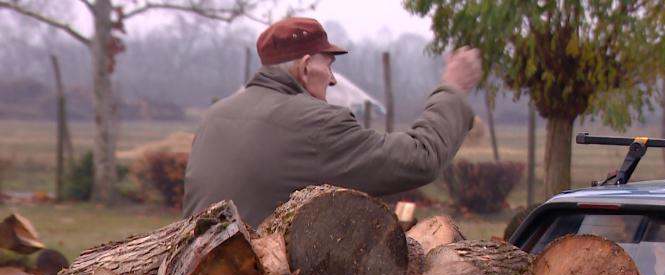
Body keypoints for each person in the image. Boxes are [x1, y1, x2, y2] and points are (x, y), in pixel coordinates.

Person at [183, 17, 482, 227]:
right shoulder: (314, 124)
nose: (334, 79)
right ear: (304, 67)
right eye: (328, 64)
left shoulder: (214, 117)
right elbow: (419, 157)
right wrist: (452, 90)